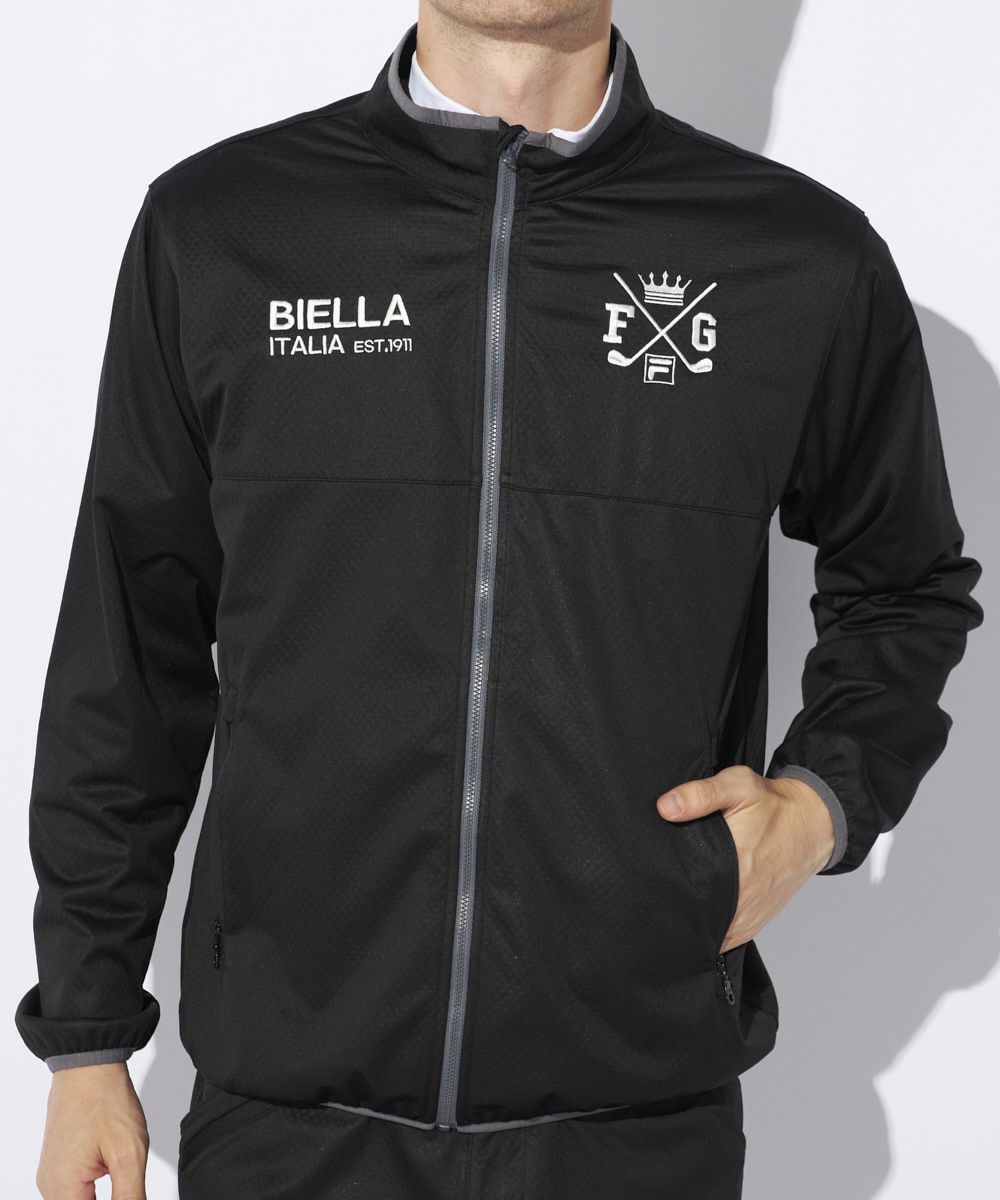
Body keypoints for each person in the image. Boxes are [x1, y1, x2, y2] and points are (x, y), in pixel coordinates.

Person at [17, 2, 984, 1198]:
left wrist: (819, 805)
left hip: (632, 1124)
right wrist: (88, 1036)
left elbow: (906, 584)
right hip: (291, 1126)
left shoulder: (792, 255)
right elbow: (130, 635)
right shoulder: (227, 226)